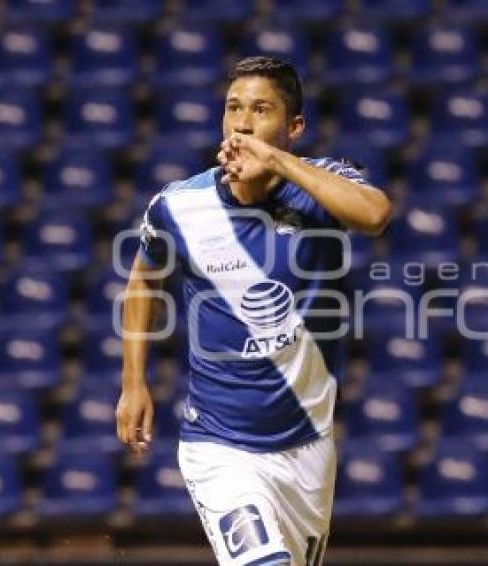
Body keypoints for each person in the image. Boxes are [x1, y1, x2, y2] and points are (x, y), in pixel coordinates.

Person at [116, 56, 392, 566]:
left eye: (261, 110)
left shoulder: (320, 184)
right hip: (220, 446)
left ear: (294, 127)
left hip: (308, 445)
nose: (243, 123)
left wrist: (279, 162)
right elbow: (141, 281)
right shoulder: (179, 206)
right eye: (233, 108)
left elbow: (375, 215)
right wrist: (134, 381)